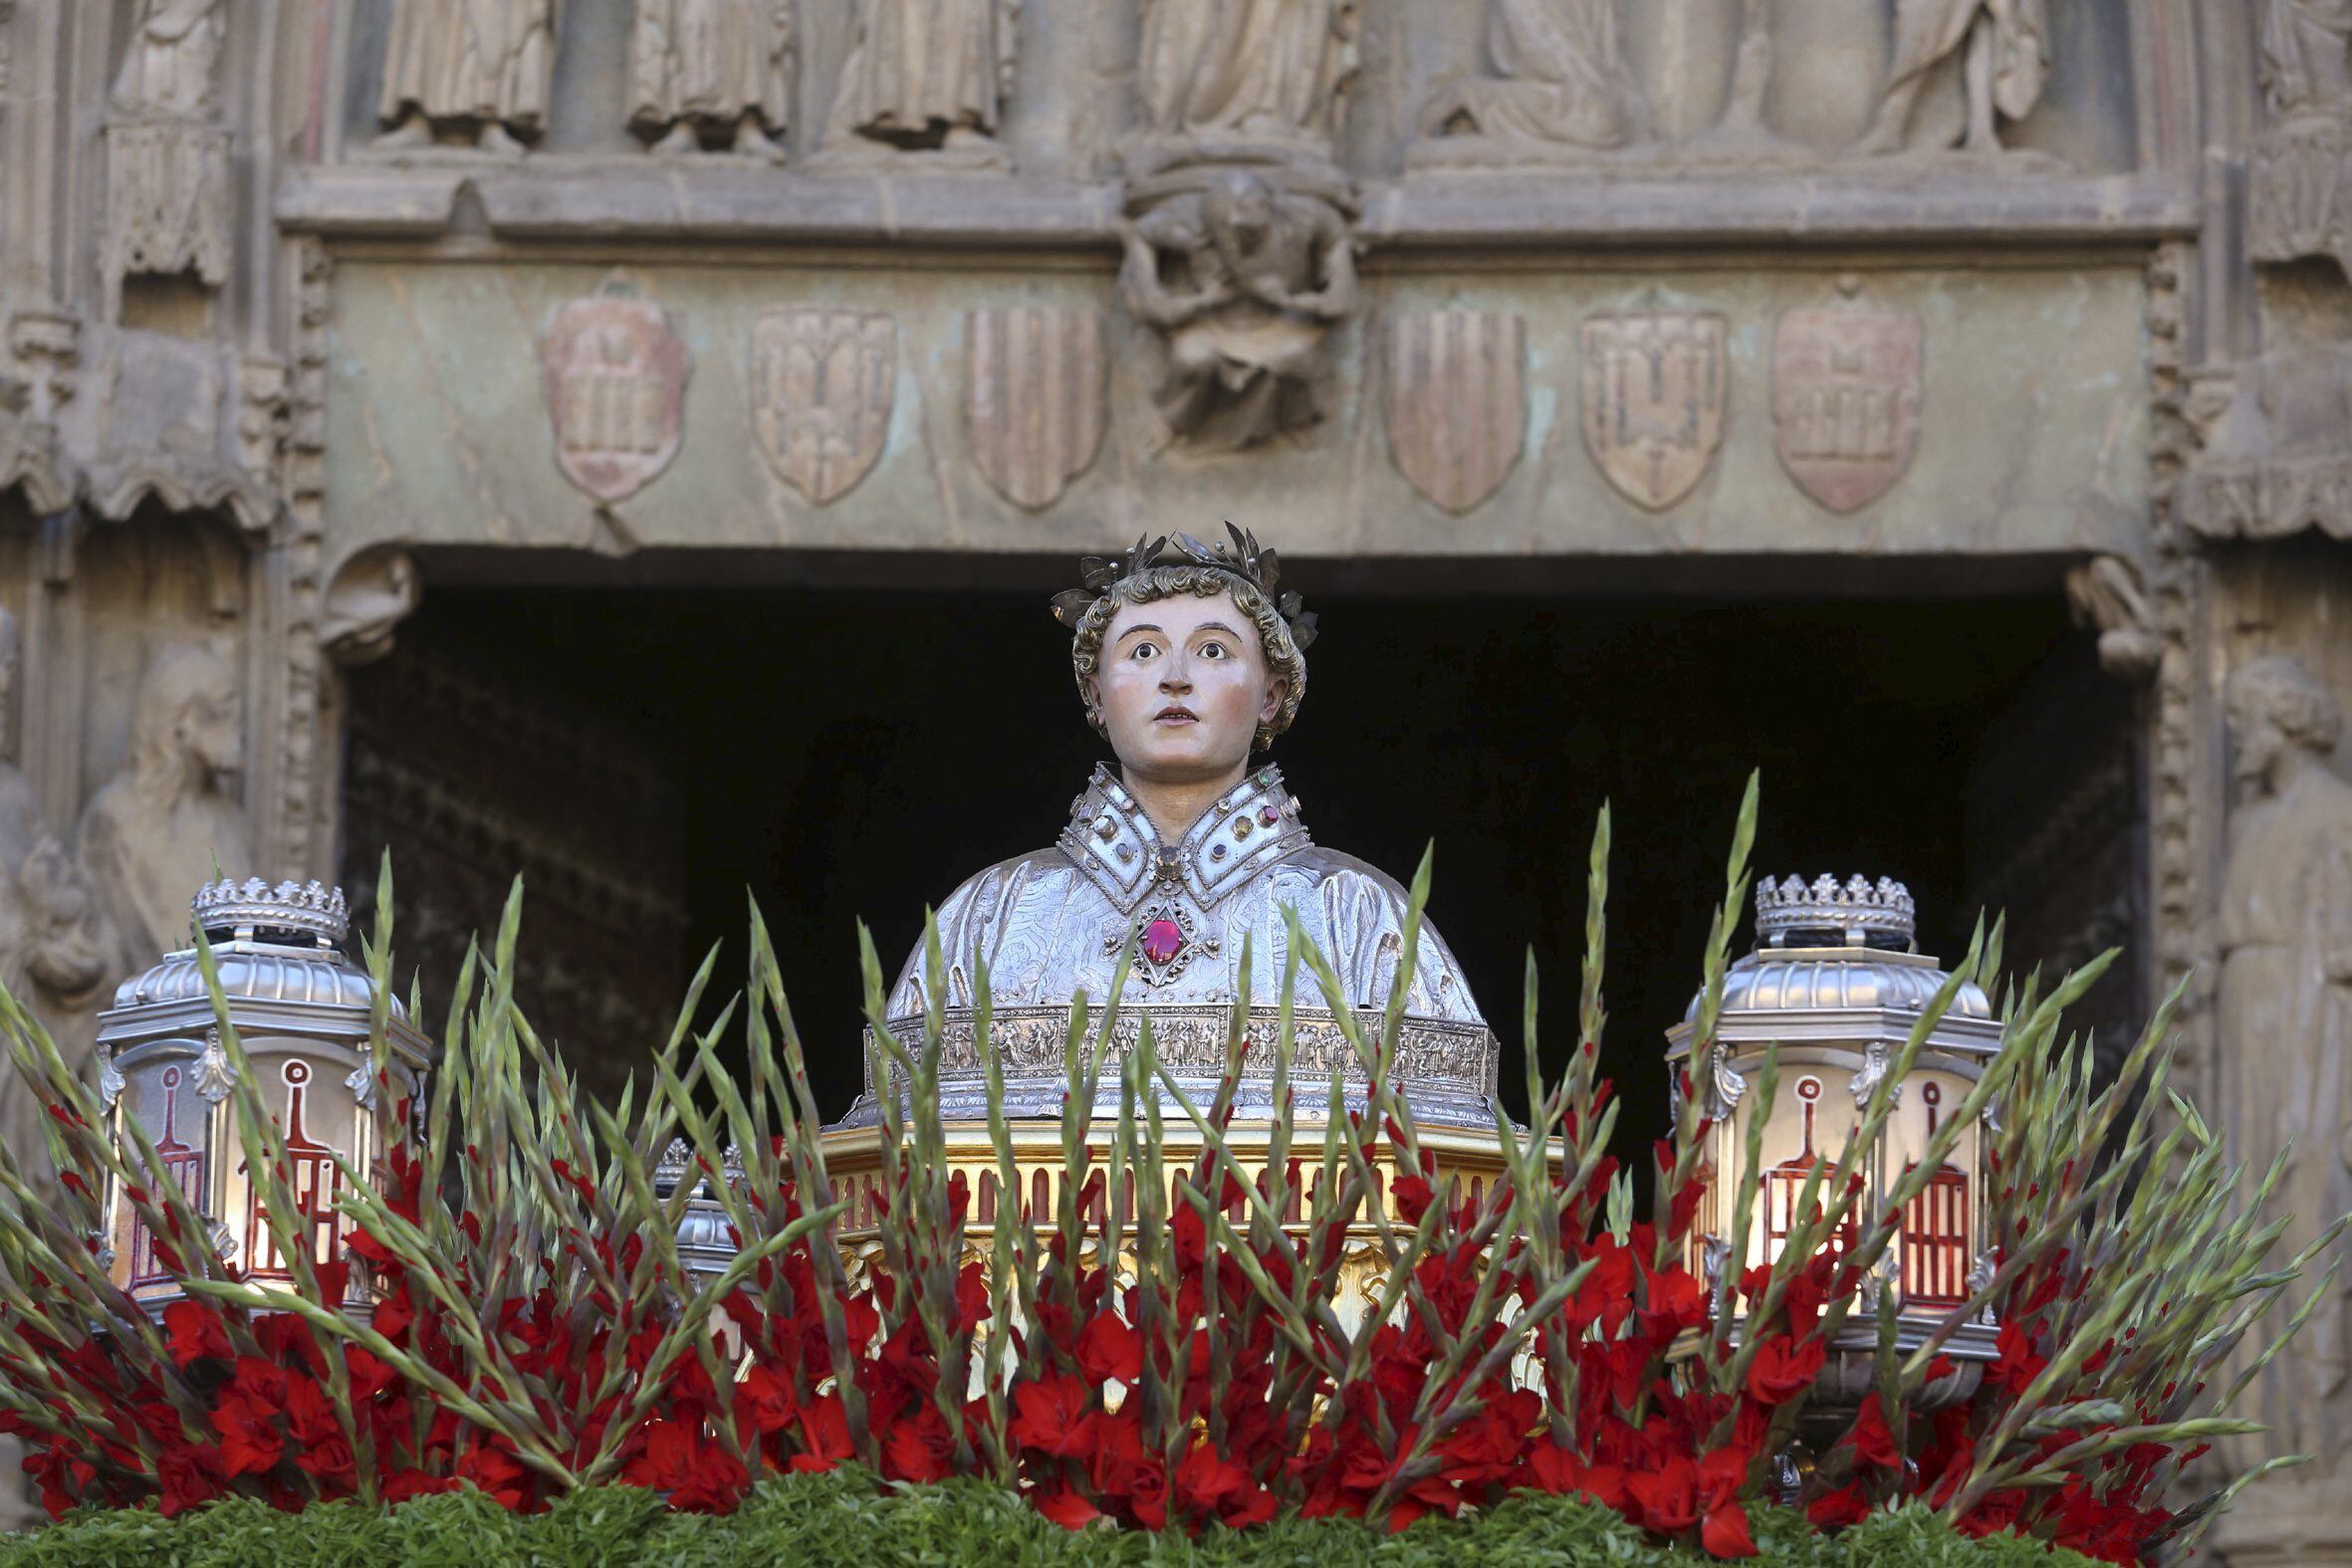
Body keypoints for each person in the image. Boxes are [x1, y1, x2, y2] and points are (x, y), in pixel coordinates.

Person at [873, 529, 1492, 1128]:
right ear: (1095, 690)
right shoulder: (988, 917)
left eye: (1213, 650)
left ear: (1272, 694)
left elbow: (1457, 1170)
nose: (1175, 676)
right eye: (1142, 650)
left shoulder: (1360, 917)